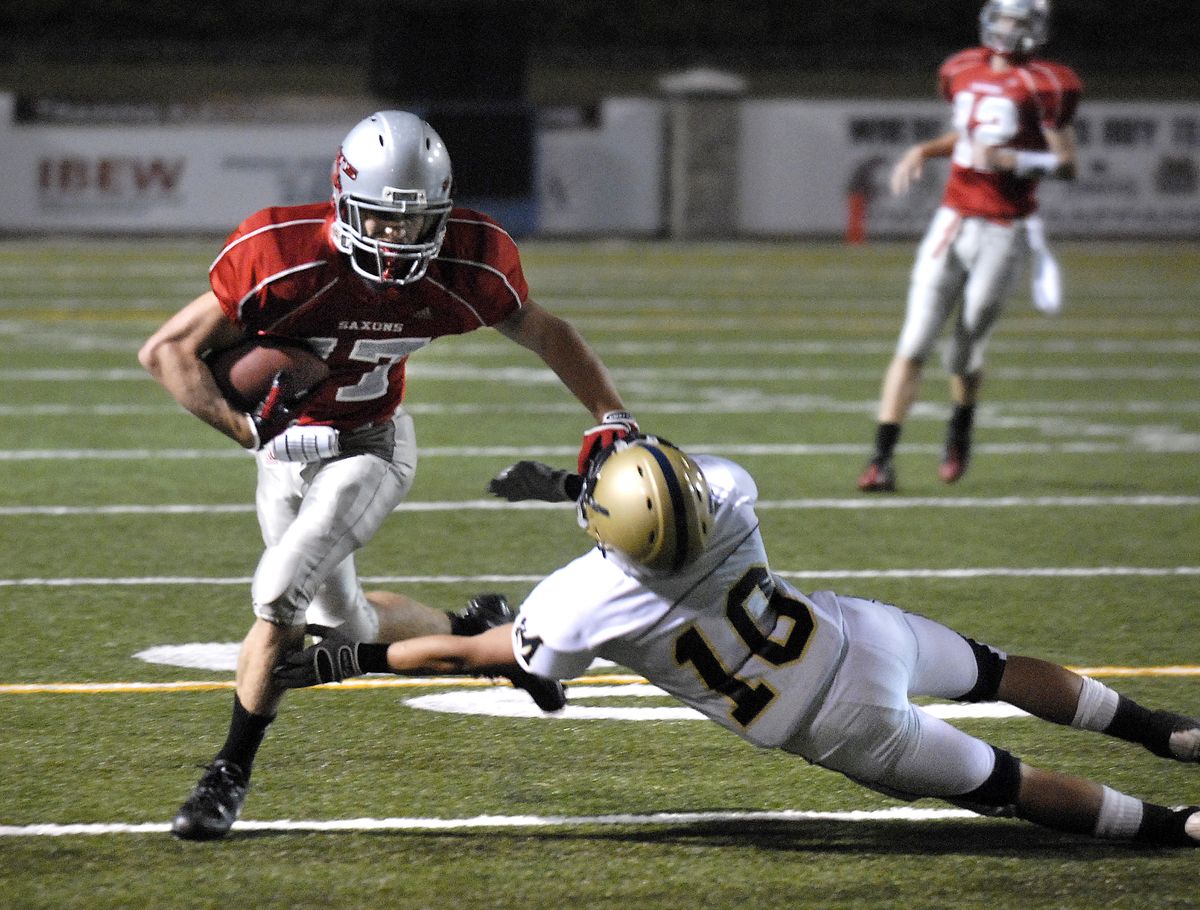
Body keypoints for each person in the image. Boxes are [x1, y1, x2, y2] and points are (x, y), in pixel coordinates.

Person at [277, 436, 1200, 848]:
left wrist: (347, 660)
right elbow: (658, 461)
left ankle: (1177, 828)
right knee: (998, 670)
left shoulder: (586, 595)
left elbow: (490, 658)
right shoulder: (728, 490)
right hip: (858, 633)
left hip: (830, 722)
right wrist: (568, 479)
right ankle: (1166, 732)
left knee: (1012, 784)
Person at [138, 110, 637, 840]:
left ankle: (227, 773)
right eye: (382, 219)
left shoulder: (471, 260)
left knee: (280, 594)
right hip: (287, 455)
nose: (398, 239)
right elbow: (167, 353)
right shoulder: (282, 253)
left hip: (371, 446)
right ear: (343, 198)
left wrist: (611, 415)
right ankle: (481, 635)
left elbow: (545, 330)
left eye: (417, 222)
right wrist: (251, 432)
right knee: (347, 625)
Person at [858, 0, 1081, 492]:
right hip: (951, 221)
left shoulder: (1048, 82)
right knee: (913, 342)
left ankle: (961, 421)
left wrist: (1013, 160)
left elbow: (1067, 163)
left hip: (1004, 229)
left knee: (962, 353)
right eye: (1002, 19)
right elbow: (967, 134)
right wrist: (924, 148)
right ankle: (881, 459)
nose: (1007, 30)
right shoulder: (960, 68)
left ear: (1036, 29)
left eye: (1019, 22)